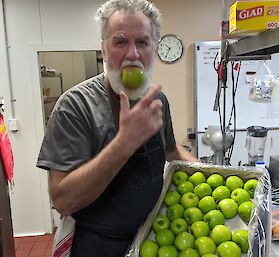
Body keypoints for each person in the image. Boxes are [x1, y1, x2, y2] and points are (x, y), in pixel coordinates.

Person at [37, 0, 198, 256]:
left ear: (154, 48)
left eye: (142, 42)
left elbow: (170, 149)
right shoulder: (75, 106)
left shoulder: (156, 99)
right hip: (99, 246)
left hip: (157, 238)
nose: (132, 54)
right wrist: (124, 144)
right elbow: (63, 200)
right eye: (120, 42)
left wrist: (211, 173)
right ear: (103, 49)